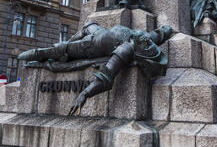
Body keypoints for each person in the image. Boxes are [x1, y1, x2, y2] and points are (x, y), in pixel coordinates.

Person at [18, 21, 173, 115]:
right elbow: (159, 33)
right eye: (148, 43)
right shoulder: (145, 39)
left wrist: (84, 94)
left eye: (148, 45)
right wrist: (167, 30)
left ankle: (41, 55)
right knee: (88, 25)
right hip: (99, 32)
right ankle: (61, 52)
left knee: (59, 49)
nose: (148, 42)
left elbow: (105, 77)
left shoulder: (126, 49)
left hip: (90, 46)